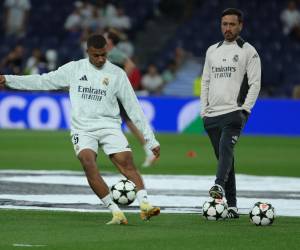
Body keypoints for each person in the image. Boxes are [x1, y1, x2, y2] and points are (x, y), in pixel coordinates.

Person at [0, 34, 160, 225]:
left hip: (109, 125)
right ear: (88, 52)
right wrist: (8, 80)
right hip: (83, 130)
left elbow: (134, 108)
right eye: (96, 55)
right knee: (87, 161)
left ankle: (145, 205)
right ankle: (115, 212)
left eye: (103, 55)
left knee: (126, 163)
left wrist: (151, 140)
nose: (100, 59)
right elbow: (42, 81)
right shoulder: (74, 69)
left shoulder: (117, 74)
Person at [200, 8, 261, 219]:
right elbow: (205, 81)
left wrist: (245, 110)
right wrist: (203, 111)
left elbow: (255, 84)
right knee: (226, 159)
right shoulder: (212, 51)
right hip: (212, 115)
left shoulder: (249, 51)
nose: (228, 28)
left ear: (240, 26)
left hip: (234, 112)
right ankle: (233, 205)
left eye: (232, 24)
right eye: (224, 24)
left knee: (226, 149)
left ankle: (218, 186)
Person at [105, 30, 157, 167]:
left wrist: (119, 80)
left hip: (116, 93)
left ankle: (148, 149)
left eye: (106, 37)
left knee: (128, 122)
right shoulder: (108, 53)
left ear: (110, 41)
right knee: (123, 122)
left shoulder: (114, 53)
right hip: (111, 93)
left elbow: (131, 65)